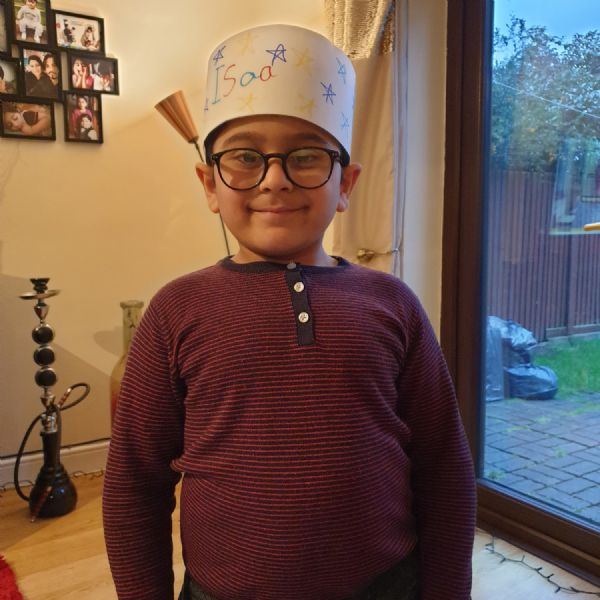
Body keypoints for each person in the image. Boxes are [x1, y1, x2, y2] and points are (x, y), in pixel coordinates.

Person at [103, 23, 476, 600]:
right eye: (244, 157)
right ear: (209, 184)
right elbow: (134, 485)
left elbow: (444, 467)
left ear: (346, 184)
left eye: (306, 157)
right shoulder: (176, 310)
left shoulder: (394, 304)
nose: (274, 180)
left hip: (386, 587)